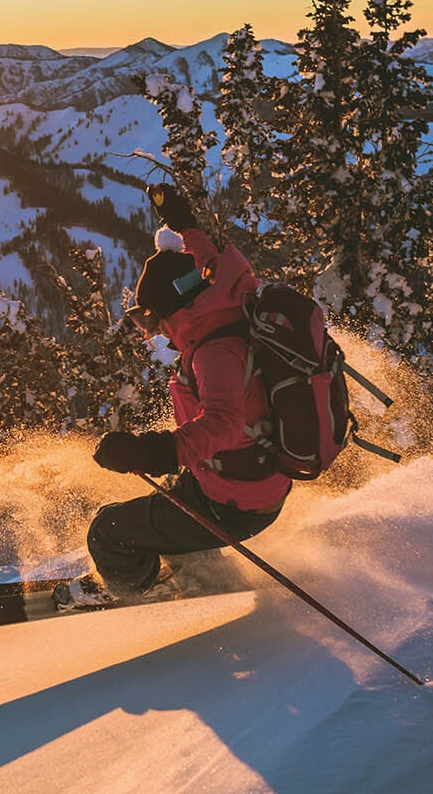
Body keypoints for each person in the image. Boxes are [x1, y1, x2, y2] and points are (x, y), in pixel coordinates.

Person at [81, 183, 291, 600]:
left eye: (150, 319)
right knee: (173, 497)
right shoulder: (230, 302)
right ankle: (194, 564)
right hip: (254, 482)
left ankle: (134, 594)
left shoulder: (214, 351)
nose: (152, 331)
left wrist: (150, 452)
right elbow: (212, 265)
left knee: (107, 530)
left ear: (172, 310)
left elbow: (224, 423)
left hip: (232, 504)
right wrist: (184, 224)